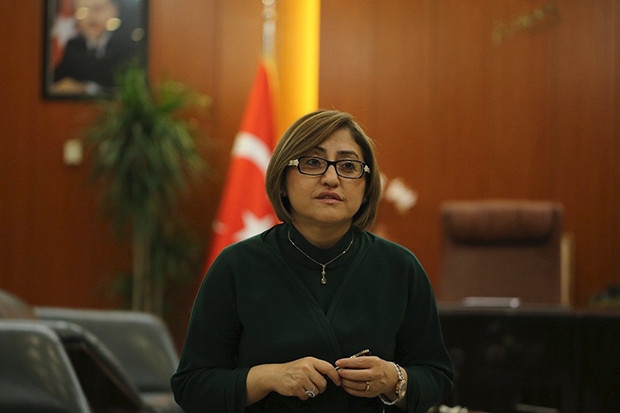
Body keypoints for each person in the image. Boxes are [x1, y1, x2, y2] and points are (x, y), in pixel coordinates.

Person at [171, 109, 454, 413]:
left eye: (348, 166)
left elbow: (437, 379)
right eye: (313, 163)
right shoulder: (236, 266)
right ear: (283, 180)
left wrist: (393, 379)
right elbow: (191, 387)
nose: (331, 178)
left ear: (366, 187)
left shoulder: (400, 267)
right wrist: (267, 377)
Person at [51, 0, 138, 95]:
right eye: (83, 10)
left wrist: (86, 88)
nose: (91, 16)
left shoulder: (129, 44)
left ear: (114, 10)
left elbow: (129, 87)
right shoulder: (73, 45)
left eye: (98, 8)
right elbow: (55, 82)